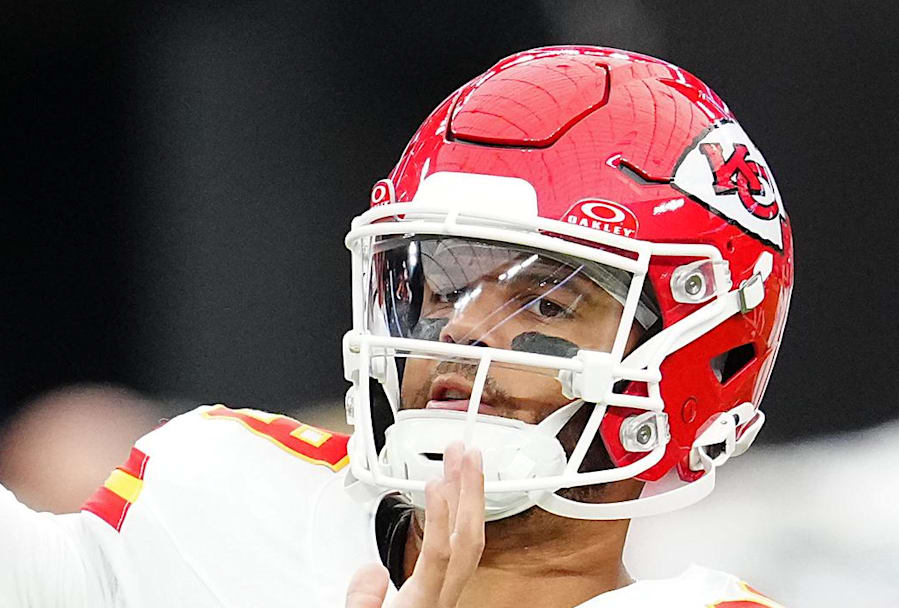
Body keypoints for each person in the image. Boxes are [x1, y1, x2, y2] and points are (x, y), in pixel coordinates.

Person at [0, 45, 793, 608]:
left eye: (545, 302)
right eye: (441, 287)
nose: (462, 332)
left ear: (700, 357)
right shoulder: (229, 492)